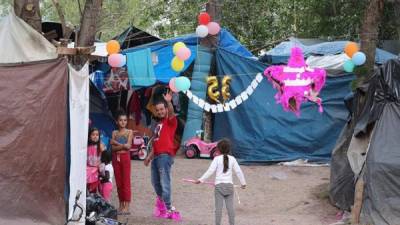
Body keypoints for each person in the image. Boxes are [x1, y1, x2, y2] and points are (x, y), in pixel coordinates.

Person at [144, 90, 179, 218]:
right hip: (156, 157)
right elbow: (156, 143)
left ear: (165, 109)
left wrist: (169, 102)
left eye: (162, 109)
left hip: (165, 156)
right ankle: (162, 204)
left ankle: (169, 208)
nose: (160, 112)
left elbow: (171, 112)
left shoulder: (170, 122)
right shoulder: (158, 125)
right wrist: (149, 157)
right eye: (157, 110)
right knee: (155, 182)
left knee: (165, 182)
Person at [195, 139, 247, 225]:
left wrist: (200, 180)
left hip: (219, 187)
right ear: (229, 149)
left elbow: (210, 171)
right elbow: (238, 171)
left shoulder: (216, 159)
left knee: (218, 209)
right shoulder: (233, 159)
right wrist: (243, 183)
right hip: (229, 186)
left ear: (218, 149)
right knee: (230, 208)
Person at [111, 111, 133, 214]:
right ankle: (121, 204)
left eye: (125, 120)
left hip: (125, 157)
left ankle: (127, 206)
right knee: (119, 182)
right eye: (120, 120)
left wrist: (116, 143)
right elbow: (112, 148)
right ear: (116, 121)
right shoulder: (114, 132)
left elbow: (128, 146)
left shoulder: (129, 132)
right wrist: (122, 146)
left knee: (126, 181)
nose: (123, 122)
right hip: (116, 158)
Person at [87, 127, 105, 193]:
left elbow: (105, 159)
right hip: (88, 171)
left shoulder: (100, 146)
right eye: (93, 134)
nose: (95, 136)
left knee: (94, 190)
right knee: (88, 189)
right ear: (89, 136)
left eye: (97, 135)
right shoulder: (87, 147)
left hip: (97, 171)